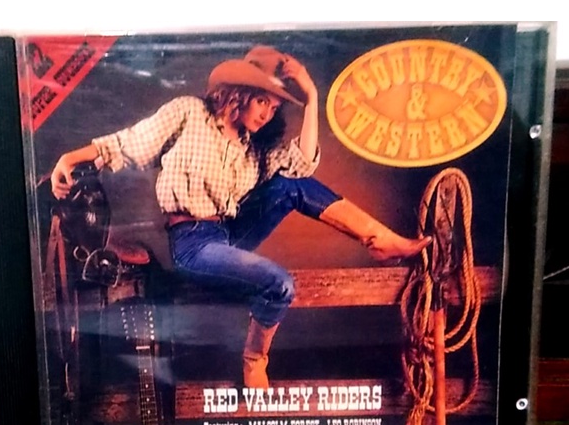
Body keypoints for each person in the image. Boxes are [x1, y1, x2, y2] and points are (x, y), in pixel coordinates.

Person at [51, 46, 429, 388]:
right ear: (239, 94)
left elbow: (302, 166)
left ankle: (378, 240)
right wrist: (70, 158)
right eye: (263, 102)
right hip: (191, 244)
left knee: (291, 185)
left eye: (274, 108)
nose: (267, 113)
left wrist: (312, 97)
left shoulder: (254, 152)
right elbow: (130, 143)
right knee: (279, 284)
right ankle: (255, 360)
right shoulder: (189, 113)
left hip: (230, 233)